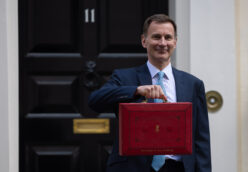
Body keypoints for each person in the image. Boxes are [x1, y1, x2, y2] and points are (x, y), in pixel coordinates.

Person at [88, 14, 211, 172]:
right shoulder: (125, 77)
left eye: (168, 37)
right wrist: (136, 90)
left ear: (175, 42)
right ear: (144, 41)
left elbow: (201, 140)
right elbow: (95, 101)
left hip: (178, 167)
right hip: (133, 167)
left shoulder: (193, 84)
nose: (162, 43)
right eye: (156, 37)